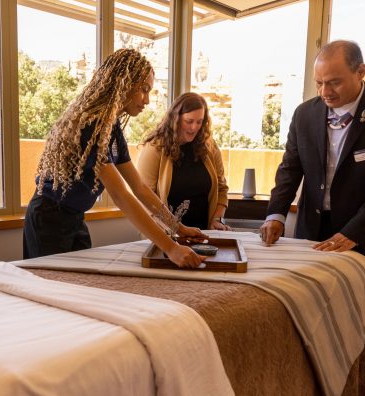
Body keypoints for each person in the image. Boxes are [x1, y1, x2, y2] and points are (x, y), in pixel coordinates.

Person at [23, 48, 205, 268]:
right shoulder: (91, 125)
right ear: (123, 84)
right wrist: (171, 248)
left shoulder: (113, 128)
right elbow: (121, 195)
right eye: (143, 90)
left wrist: (177, 228)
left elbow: (139, 188)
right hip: (49, 219)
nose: (147, 100)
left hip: (75, 217)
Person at [260, 40, 365, 274]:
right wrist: (276, 215)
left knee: (358, 310)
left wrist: (354, 233)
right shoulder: (304, 114)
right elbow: (290, 170)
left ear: (361, 72)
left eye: (334, 82)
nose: (325, 92)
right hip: (311, 234)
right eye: (319, 83)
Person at [137, 92, 230, 230]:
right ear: (176, 119)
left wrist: (216, 219)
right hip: (165, 234)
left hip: (203, 235)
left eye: (199, 122)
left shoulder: (209, 146)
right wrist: (173, 230)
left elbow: (222, 190)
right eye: (189, 121)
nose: (194, 128)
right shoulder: (154, 148)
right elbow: (145, 199)